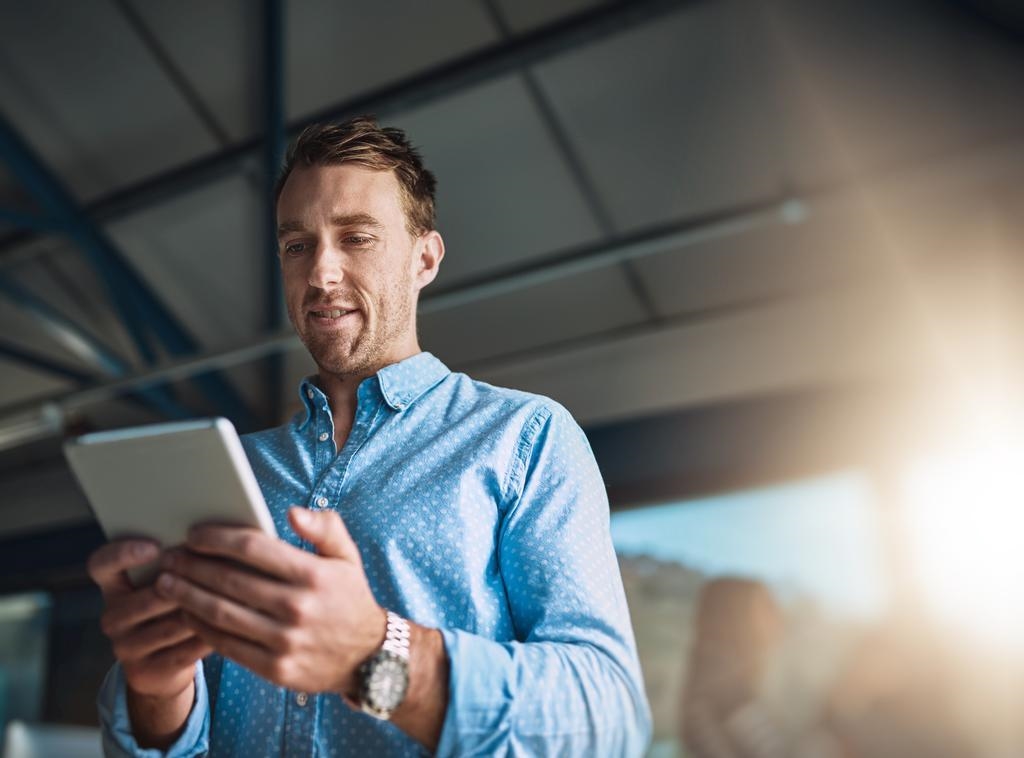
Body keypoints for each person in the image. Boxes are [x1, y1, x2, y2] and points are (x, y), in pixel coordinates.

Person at [87, 116, 651, 757]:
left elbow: (607, 722)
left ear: (424, 258)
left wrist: (374, 654)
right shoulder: (235, 468)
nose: (321, 273)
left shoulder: (524, 437)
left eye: (356, 237)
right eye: (297, 245)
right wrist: (158, 693)